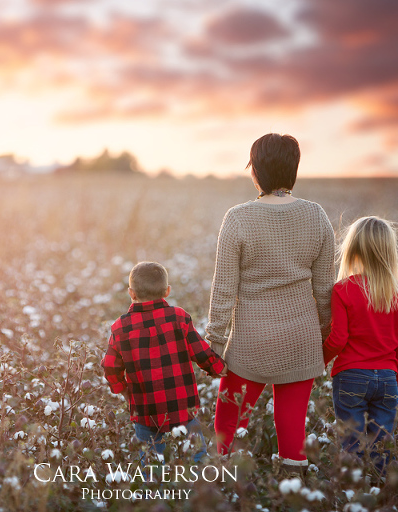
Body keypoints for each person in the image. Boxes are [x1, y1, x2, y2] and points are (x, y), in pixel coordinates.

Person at [206, 133, 335, 473]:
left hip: (251, 341)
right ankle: (294, 488)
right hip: (301, 338)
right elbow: (325, 291)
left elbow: (223, 291)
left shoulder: (238, 218)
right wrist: (325, 340)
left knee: (228, 427)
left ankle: (224, 484)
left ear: (256, 171)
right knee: (292, 429)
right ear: (293, 169)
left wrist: (214, 345)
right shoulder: (317, 215)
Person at [102, 261, 227, 464]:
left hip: (145, 413)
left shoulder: (120, 327)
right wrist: (218, 369)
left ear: (131, 293)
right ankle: (199, 492)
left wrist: (123, 390)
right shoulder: (179, 317)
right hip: (183, 408)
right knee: (196, 456)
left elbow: (109, 366)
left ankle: (156, 493)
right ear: (167, 291)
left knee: (151, 462)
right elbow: (200, 352)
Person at [322, 216, 398, 475]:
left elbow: (338, 338)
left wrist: (322, 360)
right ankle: (385, 490)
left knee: (352, 447)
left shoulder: (343, 289)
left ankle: (354, 492)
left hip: (350, 377)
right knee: (383, 446)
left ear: (354, 250)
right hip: (387, 379)